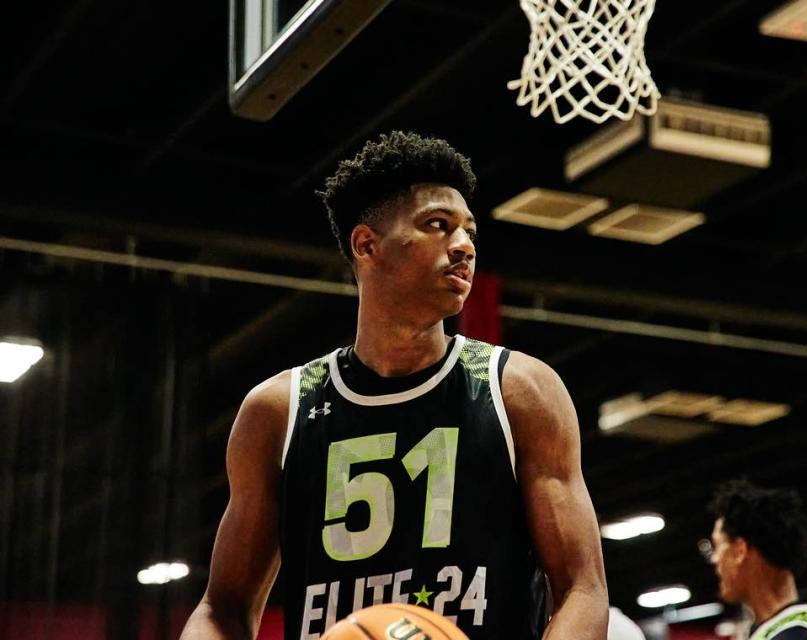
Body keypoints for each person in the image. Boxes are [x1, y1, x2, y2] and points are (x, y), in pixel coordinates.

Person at [180, 131, 608, 640]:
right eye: (437, 225)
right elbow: (222, 607)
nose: (465, 245)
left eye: (469, 230)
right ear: (367, 245)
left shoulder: (520, 390)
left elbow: (583, 588)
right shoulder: (279, 410)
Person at [703, 479, 807, 640]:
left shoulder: (797, 636)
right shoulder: (776, 631)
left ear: (740, 551)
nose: (714, 559)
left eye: (717, 546)